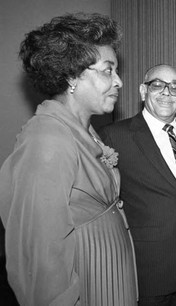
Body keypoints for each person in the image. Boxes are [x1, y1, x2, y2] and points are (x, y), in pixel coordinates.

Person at [0, 13, 137, 305]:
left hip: (108, 282)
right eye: (107, 70)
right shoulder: (47, 138)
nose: (119, 81)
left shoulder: (85, 131)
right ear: (72, 76)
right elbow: (39, 258)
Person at [99, 64, 176, 305]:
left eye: (175, 88)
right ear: (143, 91)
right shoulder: (113, 136)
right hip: (145, 272)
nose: (167, 93)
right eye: (158, 85)